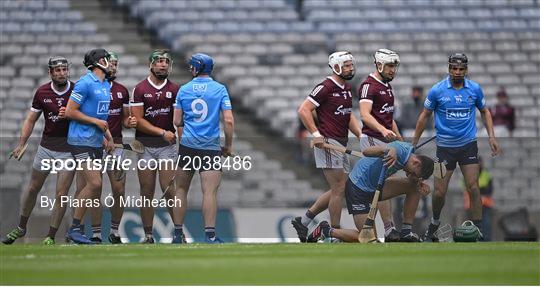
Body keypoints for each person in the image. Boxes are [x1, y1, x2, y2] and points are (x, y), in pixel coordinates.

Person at [413, 53, 501, 242]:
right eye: (454, 68)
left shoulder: (475, 89)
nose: (458, 72)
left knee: (474, 188)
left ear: (466, 69)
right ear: (449, 68)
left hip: (468, 147)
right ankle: (434, 224)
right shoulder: (437, 90)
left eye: (461, 69)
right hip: (444, 149)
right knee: (438, 192)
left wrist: (491, 137)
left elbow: (485, 112)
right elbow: (424, 116)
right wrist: (413, 142)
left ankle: (477, 229)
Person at [2, 57, 75, 245]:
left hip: (68, 151)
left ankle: (50, 236)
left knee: (61, 194)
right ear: (50, 73)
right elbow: (30, 119)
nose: (61, 73)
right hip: (46, 148)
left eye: (64, 69)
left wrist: (71, 114)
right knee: (33, 188)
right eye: (57, 70)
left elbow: (87, 117)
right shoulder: (42, 92)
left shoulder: (77, 91)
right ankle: (21, 227)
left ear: (68, 71)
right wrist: (21, 144)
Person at [291, 51, 362, 242]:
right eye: (346, 65)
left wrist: (361, 135)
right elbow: (304, 110)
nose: (350, 68)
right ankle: (334, 233)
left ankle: (304, 221)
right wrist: (316, 134)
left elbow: (348, 116)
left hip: (340, 142)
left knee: (340, 187)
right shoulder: (325, 87)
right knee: (339, 188)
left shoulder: (347, 88)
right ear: (336, 67)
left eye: (350, 65)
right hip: (329, 143)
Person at [307, 141, 434, 243]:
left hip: (376, 186)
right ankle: (326, 230)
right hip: (358, 189)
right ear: (416, 163)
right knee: (369, 240)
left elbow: (412, 178)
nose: (410, 175)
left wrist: (419, 183)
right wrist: (388, 151)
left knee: (414, 187)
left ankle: (406, 231)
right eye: (414, 174)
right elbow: (367, 152)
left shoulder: (410, 154)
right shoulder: (398, 149)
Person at [173, 53, 234, 243]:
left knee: (181, 190)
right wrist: (228, 146)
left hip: (188, 146)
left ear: (196, 68)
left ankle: (177, 234)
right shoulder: (219, 89)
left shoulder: (183, 89)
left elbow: (176, 121)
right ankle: (210, 235)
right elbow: (229, 121)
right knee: (209, 192)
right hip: (210, 147)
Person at [85, 51, 137, 244]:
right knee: (94, 189)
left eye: (116, 64)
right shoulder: (91, 87)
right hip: (93, 144)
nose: (113, 67)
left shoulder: (122, 90)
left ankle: (114, 231)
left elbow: (123, 120)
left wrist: (129, 122)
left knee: (119, 190)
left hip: (116, 146)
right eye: (110, 63)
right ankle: (96, 234)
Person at [65, 48, 115, 244]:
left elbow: (101, 117)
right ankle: (74, 228)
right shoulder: (85, 83)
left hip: (95, 141)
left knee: (88, 186)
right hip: (80, 140)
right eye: (108, 59)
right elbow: (70, 111)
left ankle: (77, 230)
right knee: (95, 184)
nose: (110, 63)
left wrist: (108, 137)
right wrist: (94, 123)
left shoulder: (106, 85)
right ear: (99, 61)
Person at [132, 49, 181, 243]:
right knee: (146, 191)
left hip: (167, 147)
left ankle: (178, 232)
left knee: (169, 189)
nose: (162, 65)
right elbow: (137, 119)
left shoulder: (176, 89)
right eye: (159, 61)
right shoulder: (140, 89)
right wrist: (161, 132)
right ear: (151, 65)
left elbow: (179, 120)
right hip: (145, 146)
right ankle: (148, 235)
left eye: (166, 62)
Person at [357, 49, 404, 241]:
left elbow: (388, 118)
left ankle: (389, 228)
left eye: (395, 66)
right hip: (372, 139)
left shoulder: (387, 86)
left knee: (383, 184)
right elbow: (365, 115)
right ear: (379, 65)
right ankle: (384, 229)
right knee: (377, 185)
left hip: (386, 140)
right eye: (390, 66)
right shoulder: (369, 86)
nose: (393, 70)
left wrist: (399, 138)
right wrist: (383, 131)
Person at [463, 157, 493, 241]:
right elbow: (467, 189)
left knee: (486, 223)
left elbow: (489, 190)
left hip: (485, 204)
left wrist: (476, 190)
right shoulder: (468, 175)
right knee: (471, 223)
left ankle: (486, 240)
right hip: (471, 205)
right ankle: (471, 238)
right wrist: (480, 189)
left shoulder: (486, 174)